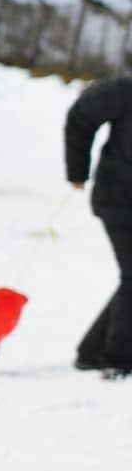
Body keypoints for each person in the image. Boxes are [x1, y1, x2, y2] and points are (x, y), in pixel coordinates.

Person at [65, 75, 132, 378]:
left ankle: (91, 352)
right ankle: (117, 359)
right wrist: (77, 169)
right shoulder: (124, 89)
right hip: (117, 198)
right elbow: (80, 116)